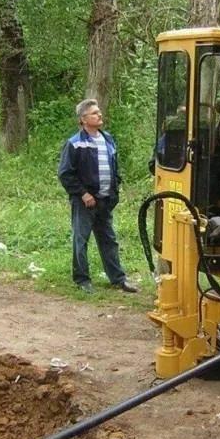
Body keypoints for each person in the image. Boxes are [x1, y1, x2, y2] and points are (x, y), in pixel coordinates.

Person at [58, 98, 139, 294]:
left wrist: (115, 190)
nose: (99, 114)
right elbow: (65, 174)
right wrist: (83, 194)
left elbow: (114, 168)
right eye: (94, 113)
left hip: (105, 201)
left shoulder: (108, 139)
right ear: (84, 119)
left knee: (109, 240)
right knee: (81, 240)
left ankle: (118, 279)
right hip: (85, 202)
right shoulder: (75, 143)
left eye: (99, 111)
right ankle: (82, 280)